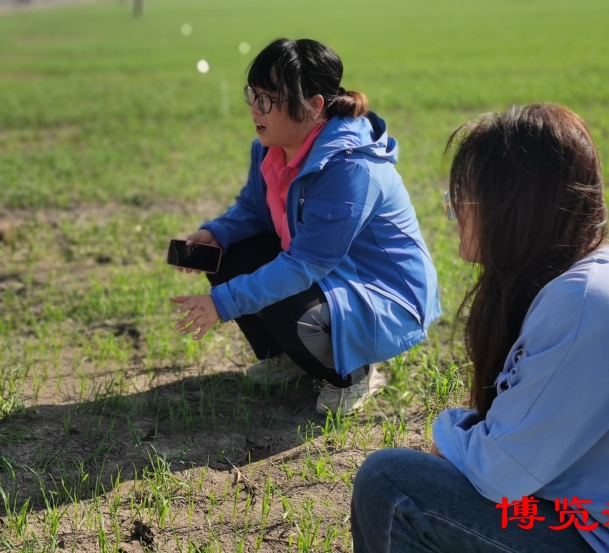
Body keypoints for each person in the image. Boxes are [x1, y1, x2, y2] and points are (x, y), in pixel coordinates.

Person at [350, 104, 609, 552]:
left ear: (513, 207)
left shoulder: (582, 303)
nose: (454, 214)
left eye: (464, 199)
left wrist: (448, 435)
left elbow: (499, 472)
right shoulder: (600, 279)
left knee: (392, 484)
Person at [170, 38, 440, 415]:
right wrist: (217, 233)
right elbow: (254, 208)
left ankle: (354, 373)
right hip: (330, 276)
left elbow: (304, 266)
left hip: (380, 295)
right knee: (228, 254)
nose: (254, 108)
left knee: (286, 290)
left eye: (267, 100)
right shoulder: (269, 148)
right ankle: (292, 357)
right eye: (252, 95)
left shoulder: (350, 167)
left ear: (313, 106)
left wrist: (222, 302)